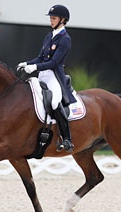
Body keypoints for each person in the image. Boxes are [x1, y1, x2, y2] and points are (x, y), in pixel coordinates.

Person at [17, 4, 76, 152]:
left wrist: (35, 67)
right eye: (50, 18)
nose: (51, 20)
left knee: (55, 103)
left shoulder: (65, 39)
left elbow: (54, 62)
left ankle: (67, 139)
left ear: (63, 20)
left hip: (54, 76)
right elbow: (40, 57)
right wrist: (27, 63)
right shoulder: (49, 35)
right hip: (42, 75)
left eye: (54, 18)